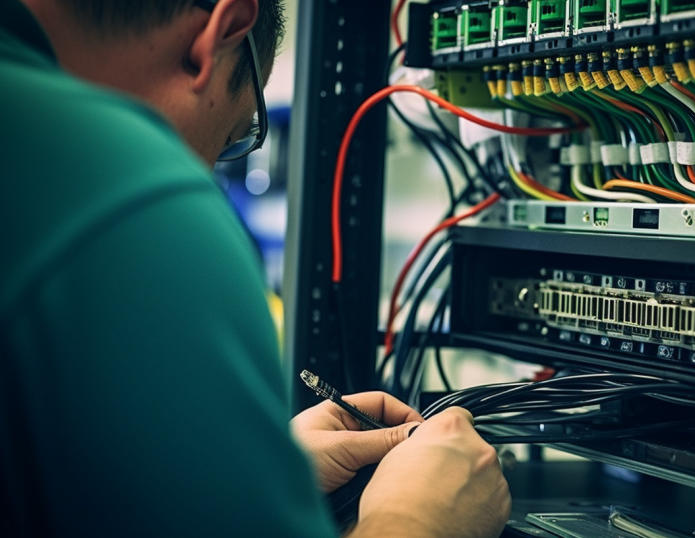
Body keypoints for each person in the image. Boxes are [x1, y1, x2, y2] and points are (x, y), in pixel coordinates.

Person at [0, 0, 510, 536]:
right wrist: (418, 519)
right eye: (229, 140)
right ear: (223, 32)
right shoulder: (125, 192)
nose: (202, 172)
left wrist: (250, 473)